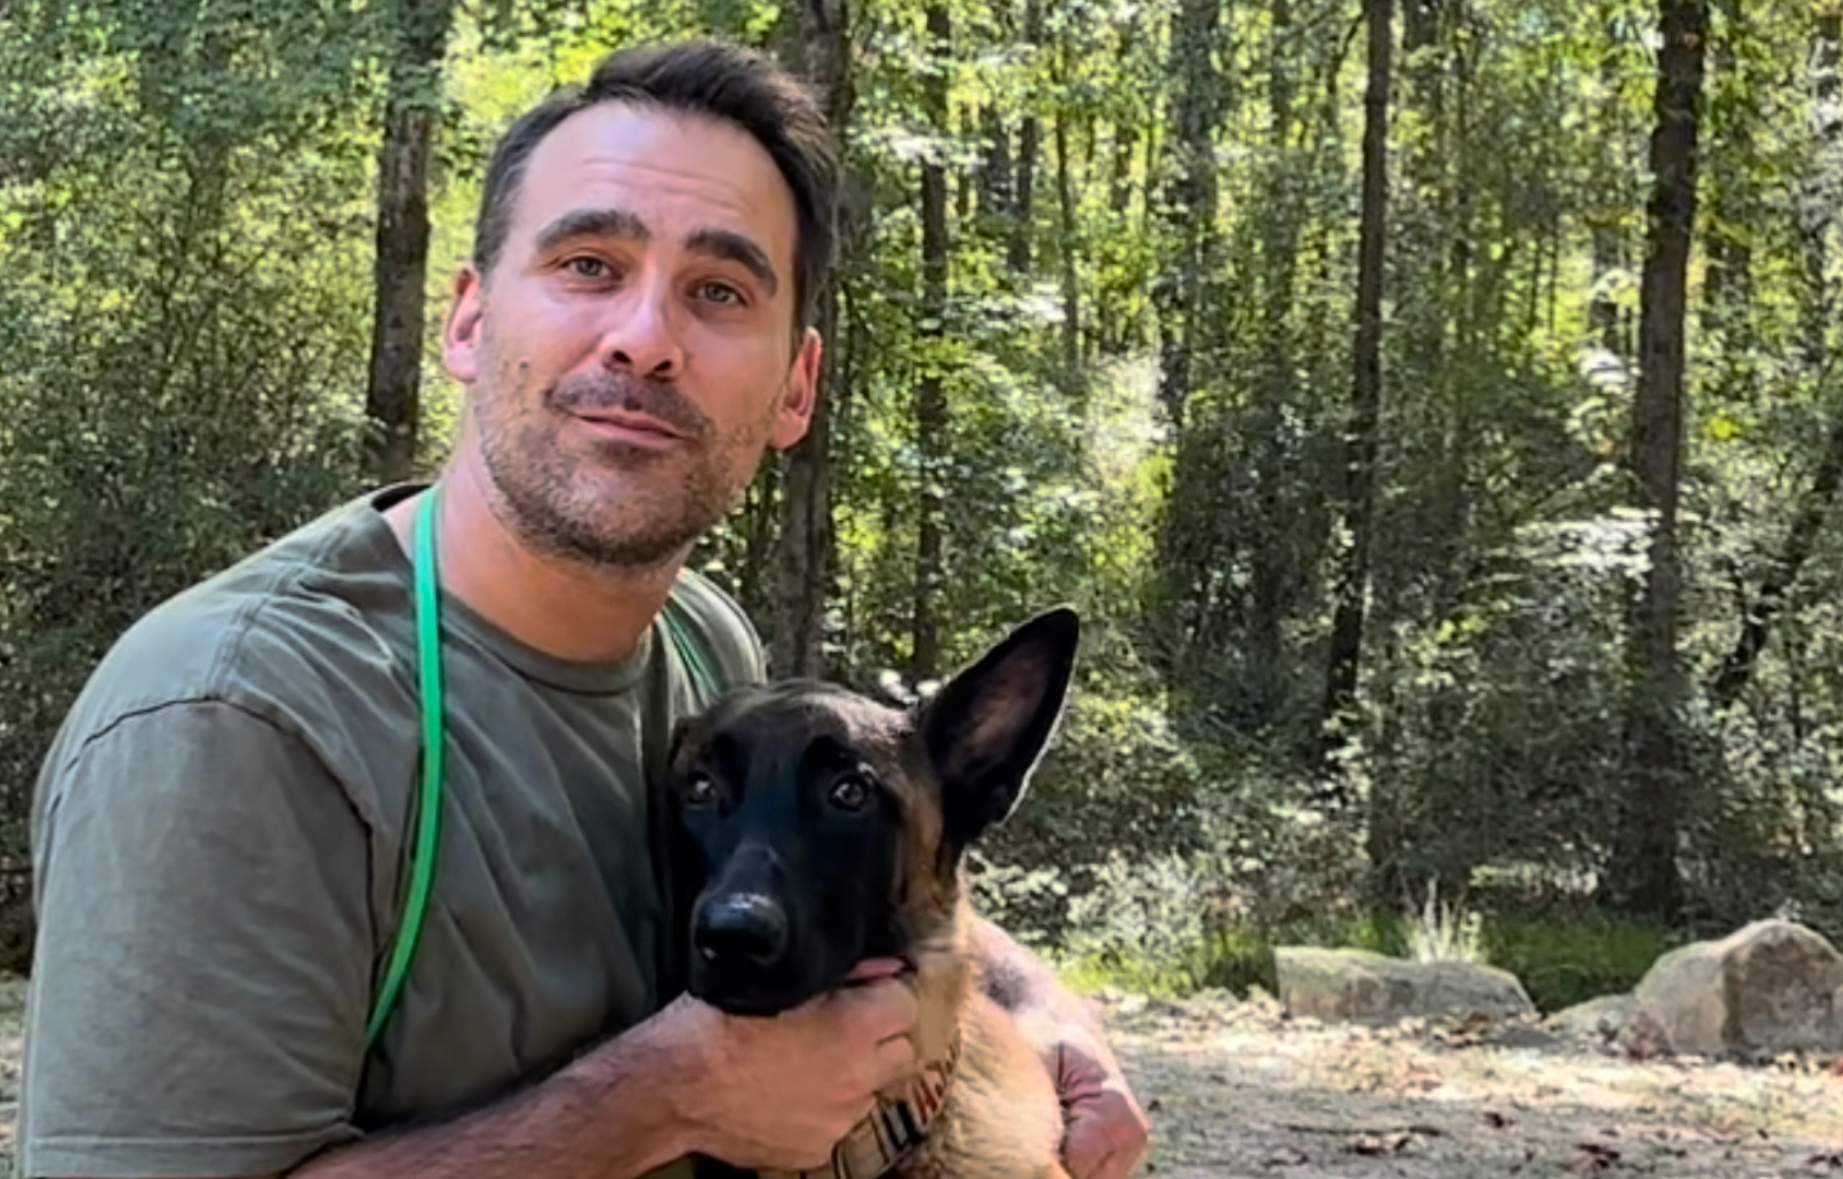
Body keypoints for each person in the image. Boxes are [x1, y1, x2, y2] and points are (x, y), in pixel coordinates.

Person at [16, 35, 1151, 1179]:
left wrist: (1037, 1011)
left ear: (795, 387)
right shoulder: (238, 722)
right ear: (467, 321)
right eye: (588, 266)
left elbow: (863, 870)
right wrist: (670, 1097)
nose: (644, 339)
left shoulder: (705, 652)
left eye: (718, 291)